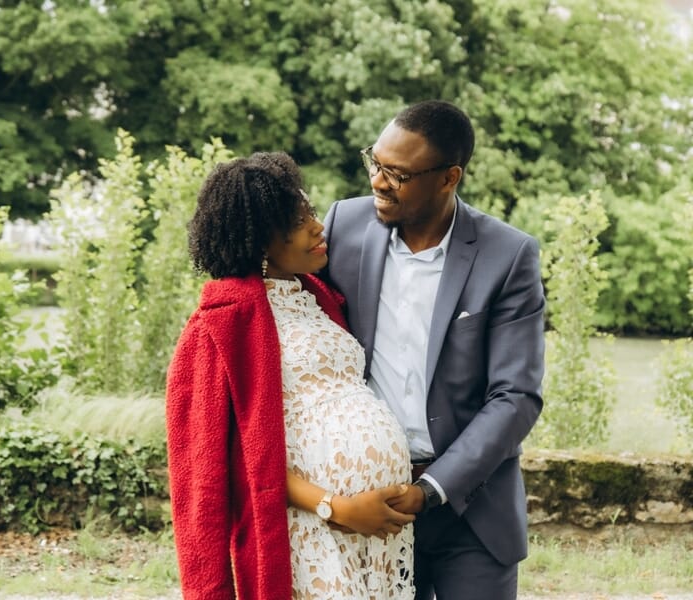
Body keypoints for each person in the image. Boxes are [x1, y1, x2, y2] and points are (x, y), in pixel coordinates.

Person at [165, 151, 417, 600]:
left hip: (377, 534)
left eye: (311, 213)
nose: (319, 227)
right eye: (299, 222)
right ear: (261, 240)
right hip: (309, 529)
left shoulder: (319, 297)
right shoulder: (221, 322)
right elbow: (221, 463)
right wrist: (336, 507)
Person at [321, 100, 546, 600]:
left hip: (472, 508)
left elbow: (516, 396)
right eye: (375, 162)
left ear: (449, 178)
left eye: (398, 174)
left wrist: (431, 489)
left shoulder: (508, 255)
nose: (378, 181)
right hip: (367, 502)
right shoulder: (342, 226)